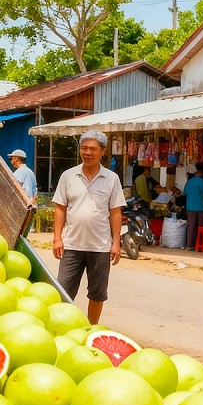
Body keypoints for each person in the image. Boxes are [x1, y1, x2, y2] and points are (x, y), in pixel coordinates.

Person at [51, 129, 126, 325]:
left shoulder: (111, 179)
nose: (88, 153)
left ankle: (91, 328)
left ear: (102, 151)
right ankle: (63, 326)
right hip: (71, 245)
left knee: (97, 293)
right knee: (63, 290)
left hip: (100, 246)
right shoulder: (68, 176)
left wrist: (116, 243)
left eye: (93, 149)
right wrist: (57, 238)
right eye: (84, 148)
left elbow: (115, 212)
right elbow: (60, 208)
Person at [183, 165, 203, 249]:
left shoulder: (189, 182)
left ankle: (190, 245)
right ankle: (199, 245)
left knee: (191, 226)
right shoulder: (201, 181)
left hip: (190, 207)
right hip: (200, 207)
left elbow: (185, 192)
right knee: (201, 227)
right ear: (199, 173)